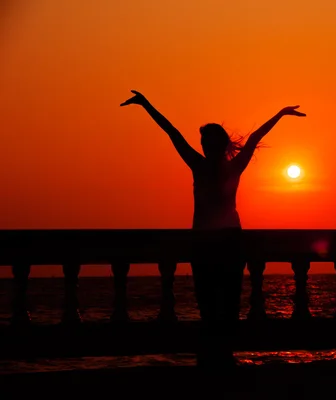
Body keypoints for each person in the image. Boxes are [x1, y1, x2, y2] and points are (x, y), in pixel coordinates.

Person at [120, 90, 306, 368]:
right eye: (203, 142)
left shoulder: (218, 166)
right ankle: (217, 357)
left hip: (222, 240)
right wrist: (146, 104)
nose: (205, 146)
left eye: (207, 142)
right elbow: (172, 132)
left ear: (216, 145)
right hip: (212, 241)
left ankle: (221, 358)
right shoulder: (209, 165)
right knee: (212, 300)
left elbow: (252, 137)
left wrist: (279, 115)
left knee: (223, 299)